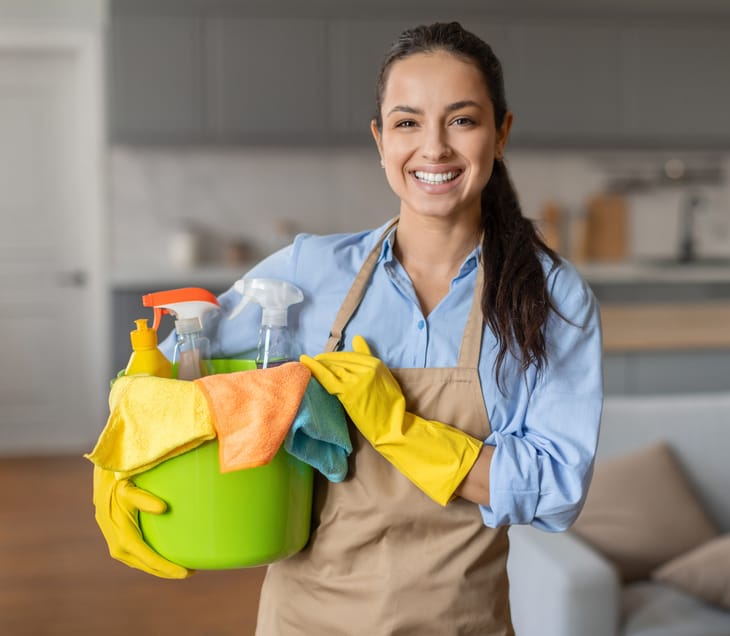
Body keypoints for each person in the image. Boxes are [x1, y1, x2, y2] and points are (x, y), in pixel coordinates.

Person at [177, 21, 603, 634]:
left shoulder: (551, 296)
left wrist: (400, 430)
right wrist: (133, 467)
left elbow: (557, 490)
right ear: (380, 140)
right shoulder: (308, 274)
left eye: (461, 120)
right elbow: (178, 370)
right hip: (306, 619)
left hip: (461, 622)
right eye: (407, 122)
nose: (433, 148)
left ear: (501, 133)